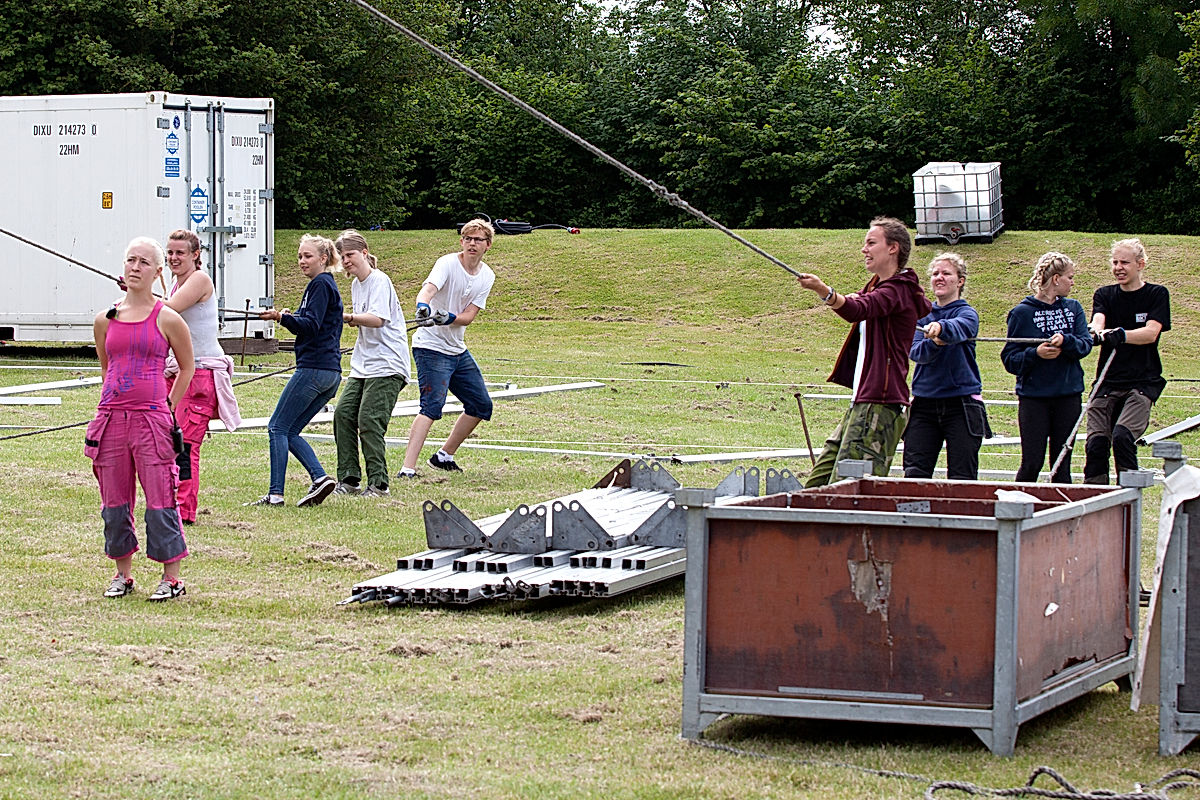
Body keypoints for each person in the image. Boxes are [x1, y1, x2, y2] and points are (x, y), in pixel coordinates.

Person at [85, 237, 195, 601]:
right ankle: (123, 574)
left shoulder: (167, 317)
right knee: (114, 502)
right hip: (111, 421)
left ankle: (172, 579)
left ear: (158, 272)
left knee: (161, 498)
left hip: (153, 422)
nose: (135, 267)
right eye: (131, 260)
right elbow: (108, 368)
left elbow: (187, 367)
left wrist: (167, 405)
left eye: (144, 262)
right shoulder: (105, 319)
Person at [796, 216, 931, 487]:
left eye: (871, 243)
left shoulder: (899, 291)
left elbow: (857, 309)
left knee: (850, 490)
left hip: (880, 405)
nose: (864, 249)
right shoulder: (877, 286)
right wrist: (838, 297)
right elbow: (857, 300)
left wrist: (822, 290)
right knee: (815, 488)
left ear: (893, 248)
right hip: (862, 403)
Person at [247, 234, 344, 507]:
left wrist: (282, 317)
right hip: (330, 373)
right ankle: (320, 478)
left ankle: (275, 495)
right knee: (290, 431)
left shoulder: (320, 284)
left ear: (323, 258)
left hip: (314, 368)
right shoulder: (325, 285)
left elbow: (310, 326)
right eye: (300, 256)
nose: (302, 261)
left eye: (308, 256)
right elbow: (313, 322)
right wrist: (290, 317)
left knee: (276, 427)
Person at [396, 219, 496, 478]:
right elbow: (428, 289)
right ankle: (407, 469)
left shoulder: (487, 275)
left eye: (478, 240)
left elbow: (468, 316)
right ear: (461, 241)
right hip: (430, 347)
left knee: (481, 405)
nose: (472, 244)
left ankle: (443, 456)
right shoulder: (447, 263)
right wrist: (423, 306)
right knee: (431, 406)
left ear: (487, 245)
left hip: (457, 349)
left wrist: (449, 317)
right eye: (468, 239)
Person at [161, 229, 241, 524]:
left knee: (185, 446)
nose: (173, 258)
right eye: (170, 252)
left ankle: (184, 511)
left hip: (200, 375)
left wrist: (137, 295)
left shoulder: (199, 280)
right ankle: (168, 503)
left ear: (195, 255)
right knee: (166, 440)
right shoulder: (175, 282)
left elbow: (168, 311)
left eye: (180, 253)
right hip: (180, 370)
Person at [1083, 238, 1171, 484]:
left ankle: (1128, 496)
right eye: (1115, 262)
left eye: (1124, 262)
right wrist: (1095, 333)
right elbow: (1098, 321)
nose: (1118, 268)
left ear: (1140, 264)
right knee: (1096, 443)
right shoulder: (1104, 294)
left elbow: (1150, 333)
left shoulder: (1156, 294)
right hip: (1108, 382)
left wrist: (1121, 335)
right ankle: (1094, 495)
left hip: (1142, 382)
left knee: (1122, 437)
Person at [1001, 252, 1093, 483]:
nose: (1073, 282)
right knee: (1032, 462)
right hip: (1034, 398)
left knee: (1062, 463)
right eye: (1070, 277)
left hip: (1068, 396)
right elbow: (1010, 359)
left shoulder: (1073, 308)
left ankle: (1060, 504)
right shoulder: (1021, 313)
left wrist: (1066, 341)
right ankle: (1018, 502)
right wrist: (1036, 354)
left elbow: (1085, 345)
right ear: (1056, 279)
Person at [332, 229, 410, 496]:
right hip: (363, 363)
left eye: (350, 255)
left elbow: (377, 319)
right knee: (343, 414)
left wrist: (347, 317)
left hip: (388, 363)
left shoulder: (379, 280)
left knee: (369, 419)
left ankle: (379, 483)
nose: (346, 261)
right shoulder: (356, 284)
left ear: (364, 253)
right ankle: (349, 480)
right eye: (342, 257)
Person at [903, 252, 991, 480]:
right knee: (914, 474)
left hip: (962, 403)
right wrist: (935, 342)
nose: (939, 278)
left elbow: (960, 327)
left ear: (960, 281)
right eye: (935, 274)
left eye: (946, 273)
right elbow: (916, 352)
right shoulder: (921, 316)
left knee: (963, 477)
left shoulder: (967, 313)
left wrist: (941, 329)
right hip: (924, 403)